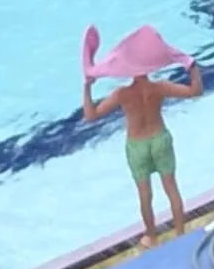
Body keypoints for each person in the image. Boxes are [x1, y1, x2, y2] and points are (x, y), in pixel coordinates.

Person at [82, 58, 203, 245]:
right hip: (159, 138)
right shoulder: (159, 87)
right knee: (171, 188)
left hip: (137, 145)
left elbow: (91, 116)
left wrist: (87, 86)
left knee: (145, 194)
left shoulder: (122, 94)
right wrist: (192, 68)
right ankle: (180, 234)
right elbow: (195, 91)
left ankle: (152, 236)